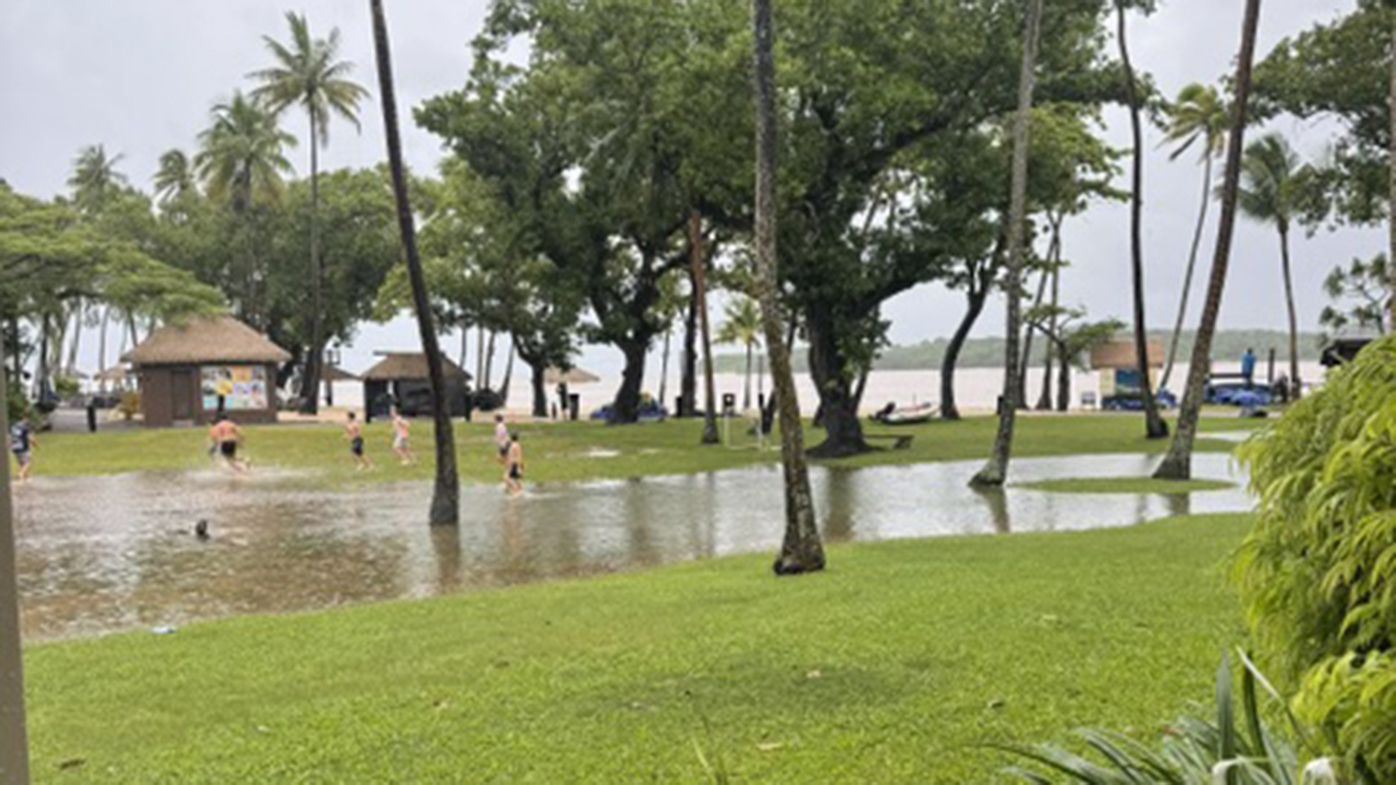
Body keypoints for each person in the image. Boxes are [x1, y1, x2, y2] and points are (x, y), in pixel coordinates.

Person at [9, 418, 35, 483]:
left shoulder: (14, 427)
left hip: (15, 447)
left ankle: (25, 476)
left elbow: (10, 437)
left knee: (20, 462)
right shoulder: (25, 428)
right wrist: (35, 444)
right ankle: (21, 474)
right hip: (23, 447)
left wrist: (9, 445)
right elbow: (30, 438)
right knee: (28, 462)